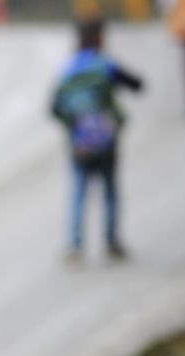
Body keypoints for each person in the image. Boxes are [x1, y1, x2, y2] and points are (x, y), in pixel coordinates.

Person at [52, 19, 145, 262]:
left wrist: (74, 126)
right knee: (110, 191)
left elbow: (53, 108)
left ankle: (75, 245)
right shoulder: (105, 64)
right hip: (106, 140)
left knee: (79, 192)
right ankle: (112, 243)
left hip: (78, 143)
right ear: (100, 38)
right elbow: (138, 84)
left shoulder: (67, 68)